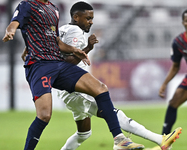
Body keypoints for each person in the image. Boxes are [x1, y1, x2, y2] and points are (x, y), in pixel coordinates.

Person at [2, 0, 144, 150]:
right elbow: (15, 22)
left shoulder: (53, 9)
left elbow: (55, 40)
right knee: (44, 115)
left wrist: (75, 50)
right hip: (39, 65)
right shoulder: (27, 5)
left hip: (57, 63)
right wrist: (10, 31)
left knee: (100, 88)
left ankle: (119, 140)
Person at [47, 2, 181, 150]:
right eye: (88, 18)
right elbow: (68, 63)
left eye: (92, 18)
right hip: (76, 88)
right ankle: (156, 139)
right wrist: (88, 48)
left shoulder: (62, 29)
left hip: (68, 89)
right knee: (113, 113)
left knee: (84, 133)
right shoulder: (76, 32)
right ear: (76, 17)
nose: (91, 21)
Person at [145, 9, 187, 150]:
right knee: (173, 102)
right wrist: (164, 84)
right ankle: (165, 141)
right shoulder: (179, 42)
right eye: (186, 20)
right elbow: (175, 66)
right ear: (183, 23)